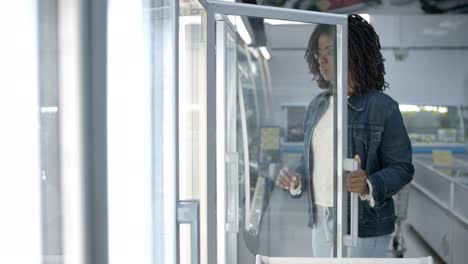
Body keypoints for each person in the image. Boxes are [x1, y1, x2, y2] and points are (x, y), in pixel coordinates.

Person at [276, 14, 414, 258]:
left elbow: (402, 167)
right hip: (320, 219)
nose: (321, 60)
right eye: (318, 54)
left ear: (354, 51)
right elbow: (310, 162)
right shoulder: (317, 106)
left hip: (363, 223)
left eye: (328, 50)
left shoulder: (382, 107)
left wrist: (369, 184)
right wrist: (296, 180)